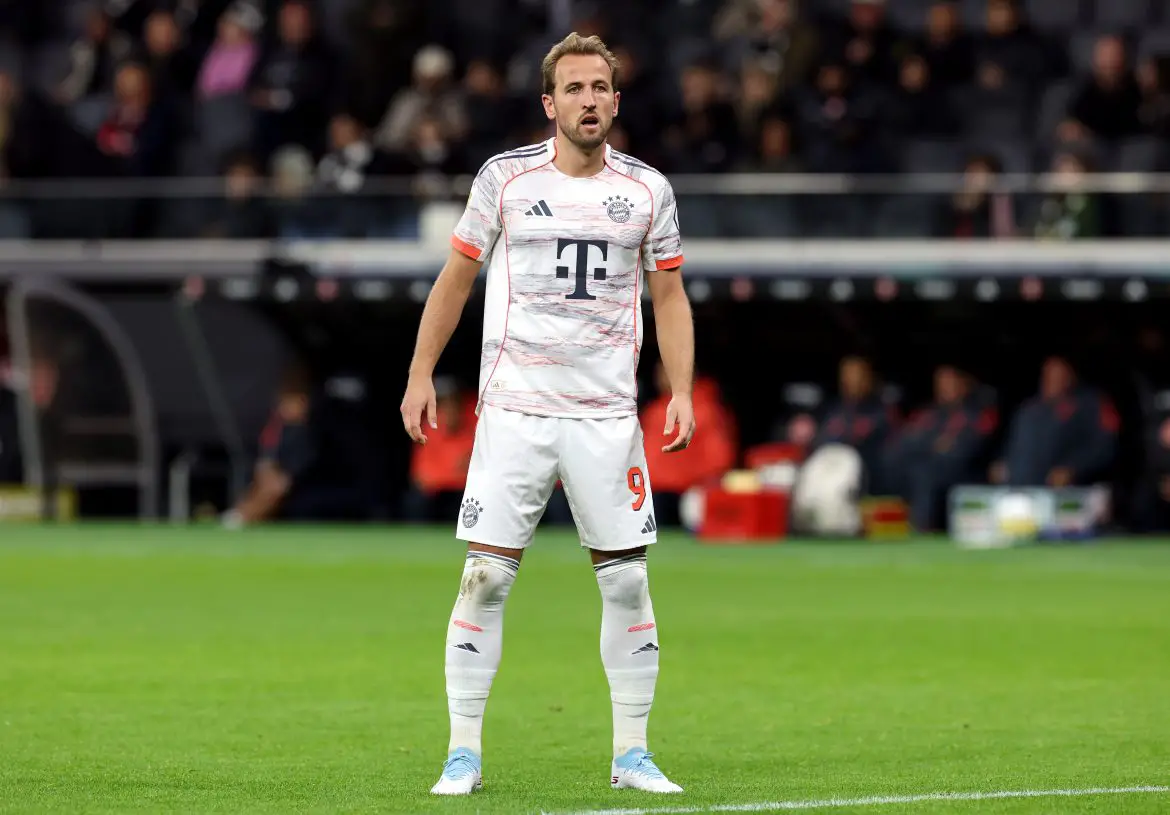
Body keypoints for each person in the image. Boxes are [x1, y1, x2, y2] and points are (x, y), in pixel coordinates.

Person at [399, 32, 693, 797]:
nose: (588, 100)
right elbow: (456, 278)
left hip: (604, 416)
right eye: (574, 89)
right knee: (485, 579)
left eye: (600, 88)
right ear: (549, 103)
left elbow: (669, 295)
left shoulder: (648, 191)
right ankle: (463, 752)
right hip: (516, 411)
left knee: (626, 583)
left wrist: (683, 389)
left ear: (616, 102)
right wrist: (421, 371)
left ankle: (632, 753)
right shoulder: (504, 178)